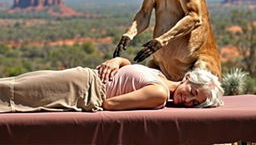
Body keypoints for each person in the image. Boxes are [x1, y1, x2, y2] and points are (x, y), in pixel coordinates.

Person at [0, 57, 223, 113]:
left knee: (15, 92)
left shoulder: (159, 93)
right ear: (186, 78)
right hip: (81, 82)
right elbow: (131, 70)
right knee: (16, 86)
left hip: (84, 90)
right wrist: (118, 61)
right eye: (192, 92)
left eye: (195, 102)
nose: (189, 100)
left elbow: (111, 103)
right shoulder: (160, 78)